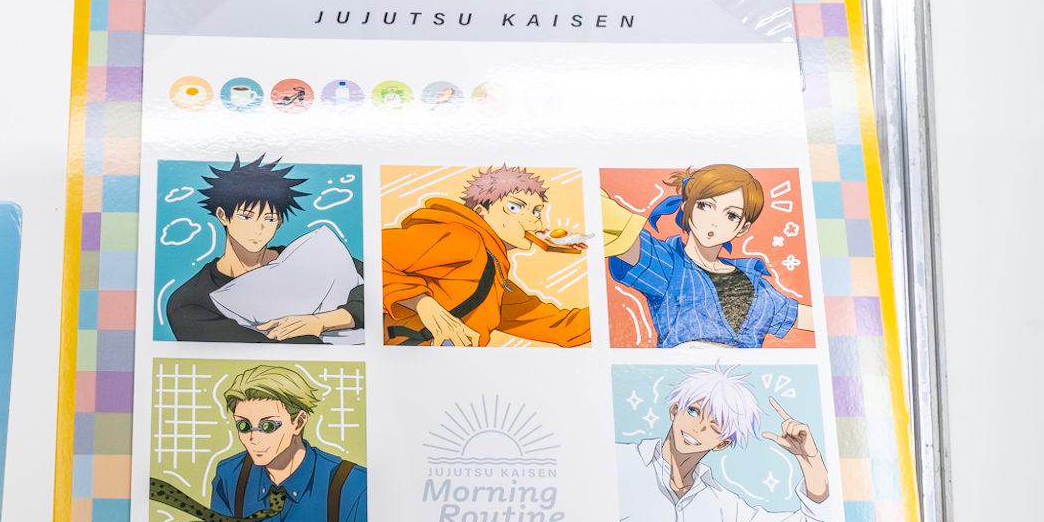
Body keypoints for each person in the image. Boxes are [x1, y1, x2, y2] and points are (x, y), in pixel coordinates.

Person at [148, 365, 367, 522]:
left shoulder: (354, 485)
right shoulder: (232, 475)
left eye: (268, 426)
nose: (253, 438)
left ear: (298, 422)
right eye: (244, 426)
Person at [617, 365, 832, 522]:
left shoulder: (727, 508)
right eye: (694, 411)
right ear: (675, 411)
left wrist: (810, 460)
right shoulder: (619, 462)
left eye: (715, 425)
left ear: (722, 443)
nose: (698, 427)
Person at [601, 164, 812, 349]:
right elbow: (617, 228)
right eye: (705, 206)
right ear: (687, 206)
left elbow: (811, 319)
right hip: (684, 379)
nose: (714, 221)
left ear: (743, 228)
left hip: (744, 379)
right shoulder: (668, 265)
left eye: (731, 215)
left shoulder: (758, 285)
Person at [382, 165, 590, 347]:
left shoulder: (494, 280)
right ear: (481, 212)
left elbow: (562, 328)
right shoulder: (463, 238)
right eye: (514, 207)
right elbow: (375, 254)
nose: (532, 220)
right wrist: (422, 303)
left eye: (536, 211)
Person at [165, 154, 364, 343]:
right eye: (246, 216)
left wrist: (326, 321)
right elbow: (260, 353)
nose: (258, 228)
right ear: (222, 215)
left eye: (269, 219)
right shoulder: (190, 301)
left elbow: (376, 283)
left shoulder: (308, 255)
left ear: (279, 222)